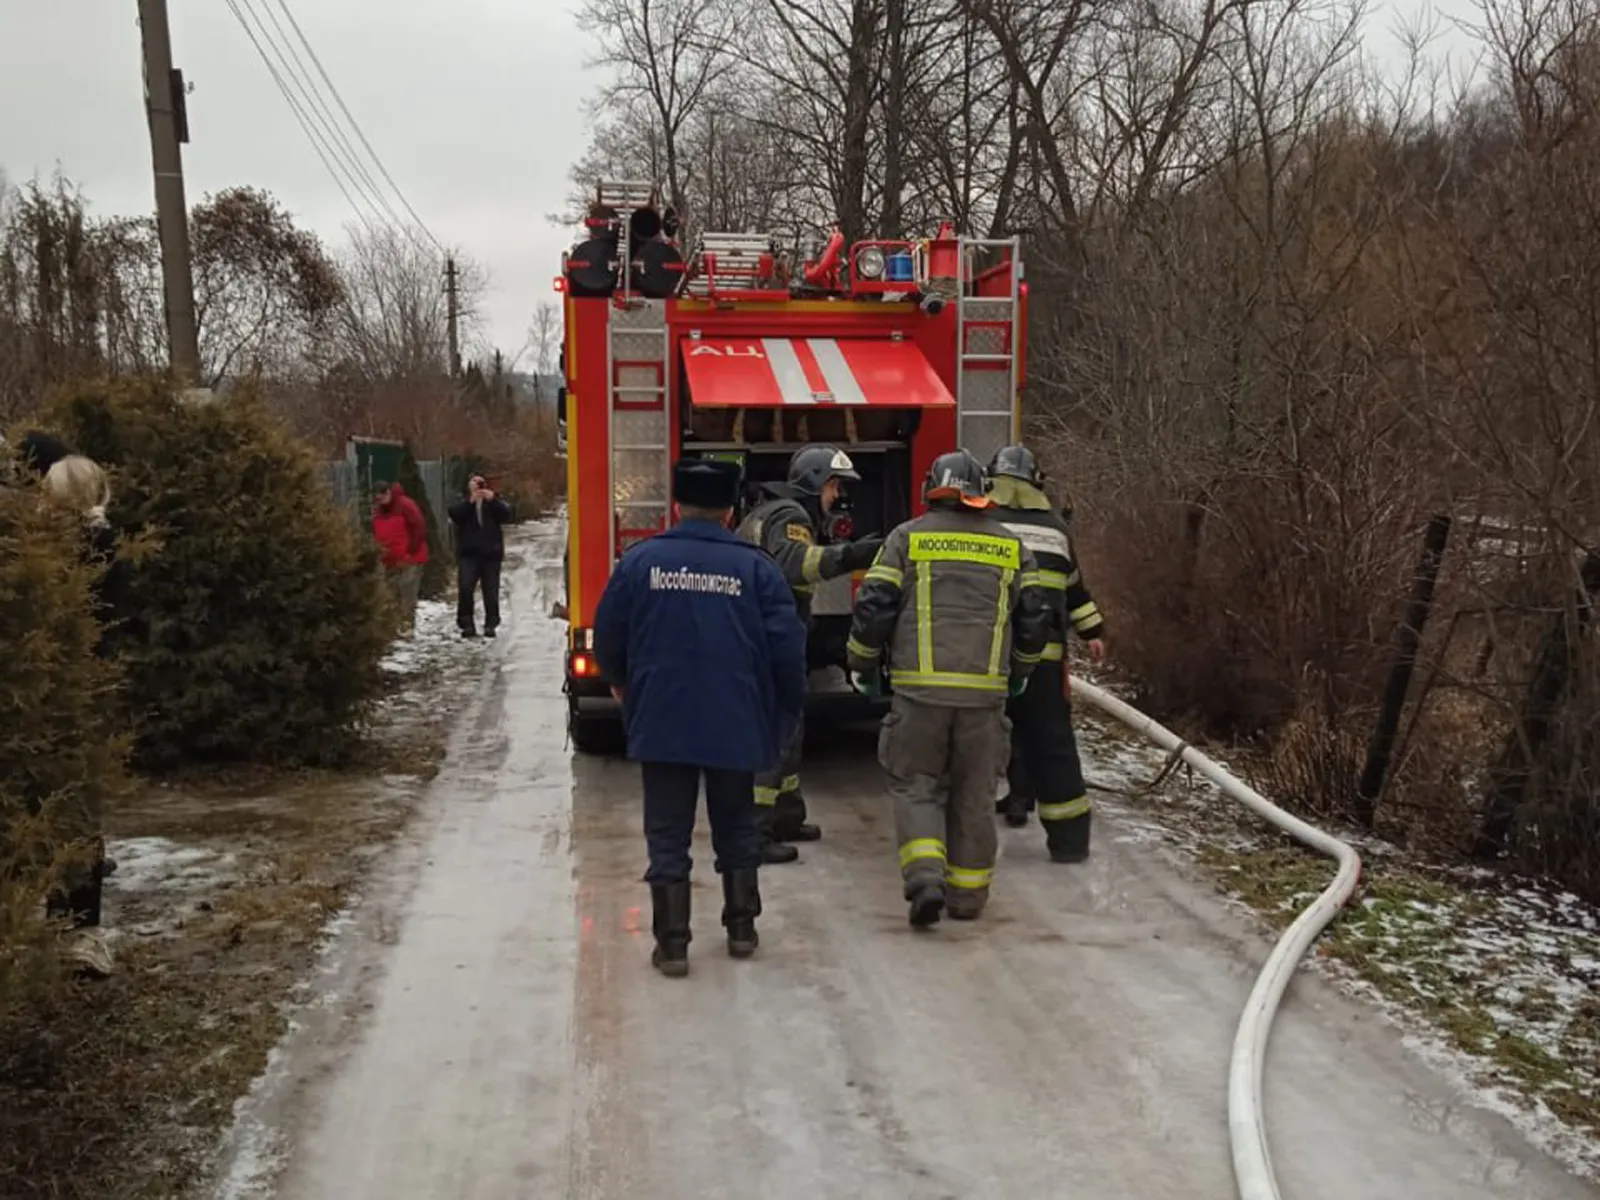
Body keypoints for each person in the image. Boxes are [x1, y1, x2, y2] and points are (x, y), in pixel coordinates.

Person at [593, 458, 808, 977]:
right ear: (731, 511)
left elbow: (609, 635)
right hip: (735, 717)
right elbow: (787, 649)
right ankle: (741, 927)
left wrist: (621, 682)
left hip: (662, 716)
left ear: (676, 506)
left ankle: (672, 944)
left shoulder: (640, 563)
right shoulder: (757, 569)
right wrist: (787, 707)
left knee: (667, 832)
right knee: (736, 823)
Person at [846, 449, 1050, 928]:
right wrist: (1020, 671)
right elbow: (1035, 617)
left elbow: (875, 605)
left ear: (931, 488)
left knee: (916, 786)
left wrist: (861, 661)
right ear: (980, 493)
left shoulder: (906, 538)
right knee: (975, 795)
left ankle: (925, 879)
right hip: (984, 699)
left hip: (918, 696)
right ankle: (967, 897)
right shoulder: (1011, 546)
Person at [736, 444, 884, 863]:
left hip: (762, 636)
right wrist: (854, 555)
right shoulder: (791, 516)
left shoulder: (766, 512)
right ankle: (754, 833)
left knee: (791, 728)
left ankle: (786, 816)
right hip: (768, 641)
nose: (838, 497)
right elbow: (796, 565)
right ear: (817, 481)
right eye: (835, 486)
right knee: (775, 733)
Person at [986, 445, 1106, 862]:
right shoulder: (1056, 528)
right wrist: (1094, 632)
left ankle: (958, 842)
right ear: (1036, 483)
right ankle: (1069, 842)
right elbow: (1074, 589)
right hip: (1044, 663)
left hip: (987, 660)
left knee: (970, 747)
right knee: (1053, 748)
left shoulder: (980, 521)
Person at [35, 448, 124, 978]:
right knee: (77, 807)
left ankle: (71, 930)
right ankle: (77, 931)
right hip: (88, 687)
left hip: (58, 689)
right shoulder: (107, 543)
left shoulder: (42, 548)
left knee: (60, 807)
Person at [447, 472, 512, 638]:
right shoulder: (463, 501)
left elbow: (507, 515)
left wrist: (493, 500)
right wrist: (470, 501)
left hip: (491, 554)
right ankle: (466, 623)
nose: (478, 487)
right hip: (469, 554)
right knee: (465, 588)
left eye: (481, 483)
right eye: (475, 483)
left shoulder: (493, 502)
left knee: (491, 591)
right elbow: (455, 515)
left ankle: (491, 624)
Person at [372, 480, 428, 636]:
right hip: (389, 560)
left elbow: (419, 528)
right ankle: (393, 626)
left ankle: (406, 626)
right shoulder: (378, 510)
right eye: (377, 499)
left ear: (388, 493)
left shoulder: (406, 505)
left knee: (407, 591)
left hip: (410, 558)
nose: (380, 501)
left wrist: (410, 553)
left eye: (382, 497)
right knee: (391, 592)